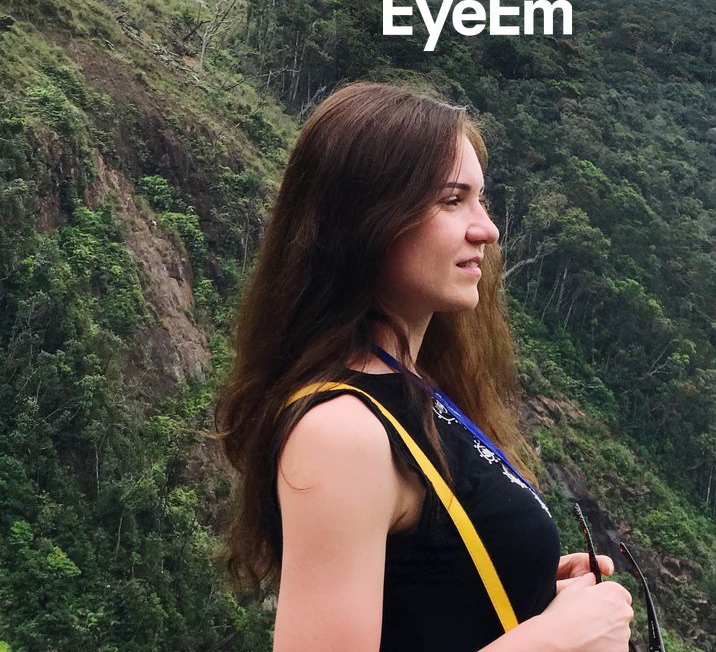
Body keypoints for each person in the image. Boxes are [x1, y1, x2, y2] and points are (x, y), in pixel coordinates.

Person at [214, 79, 634, 652]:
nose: (485, 228)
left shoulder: (410, 383)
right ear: (367, 221)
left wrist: (522, 578)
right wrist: (557, 640)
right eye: (451, 199)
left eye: (480, 199)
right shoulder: (341, 431)